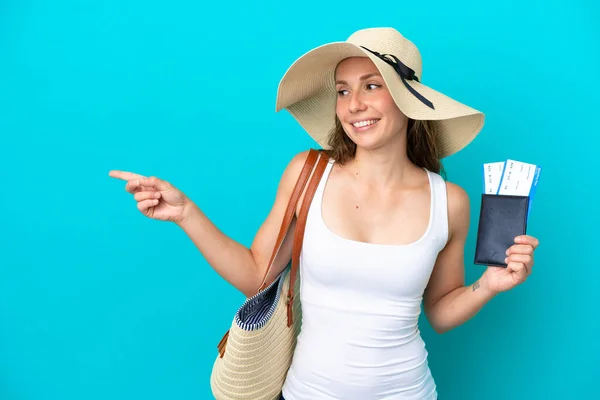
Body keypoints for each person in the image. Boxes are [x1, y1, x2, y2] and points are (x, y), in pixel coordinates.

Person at [109, 27, 539, 400]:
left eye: (372, 85)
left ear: (408, 99)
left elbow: (441, 313)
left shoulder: (450, 201)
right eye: (343, 90)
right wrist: (186, 214)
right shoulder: (307, 173)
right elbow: (256, 274)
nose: (353, 104)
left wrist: (487, 286)